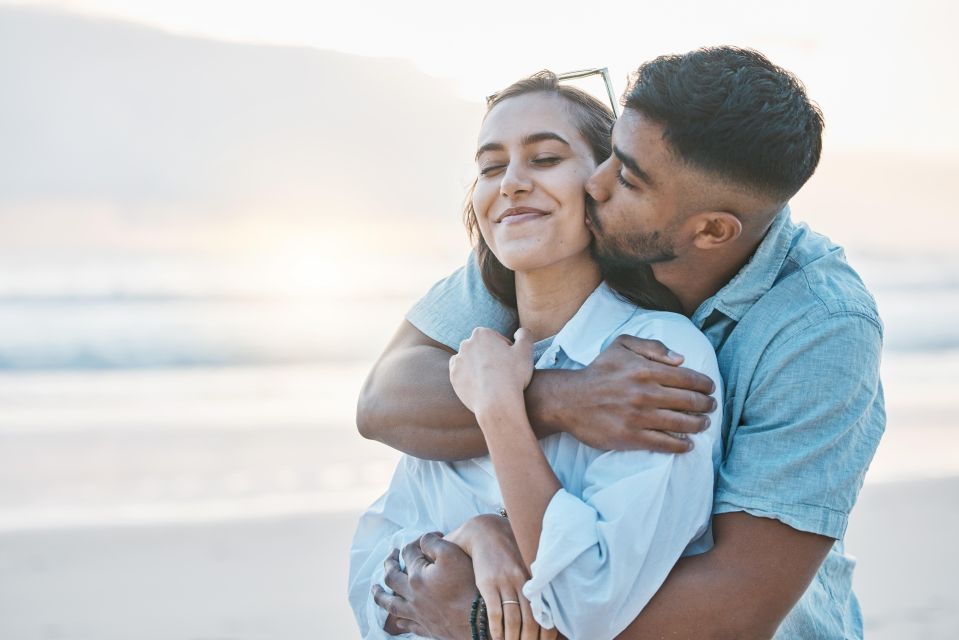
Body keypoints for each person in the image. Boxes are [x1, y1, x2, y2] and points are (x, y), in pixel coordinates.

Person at [358, 47, 885, 639]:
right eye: (608, 153)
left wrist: (488, 624)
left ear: (710, 230)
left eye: (626, 174)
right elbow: (382, 403)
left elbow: (733, 608)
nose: (596, 182)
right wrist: (558, 401)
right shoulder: (545, 256)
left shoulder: (819, 328)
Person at [348, 71, 724, 640]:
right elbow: (370, 589)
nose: (512, 184)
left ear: (604, 185)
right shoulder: (471, 361)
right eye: (491, 167)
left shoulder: (662, 357)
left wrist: (500, 409)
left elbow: (585, 603)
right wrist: (475, 536)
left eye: (545, 158)